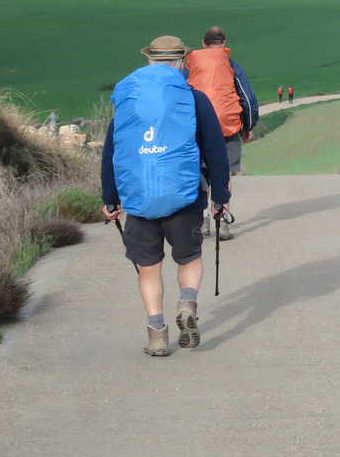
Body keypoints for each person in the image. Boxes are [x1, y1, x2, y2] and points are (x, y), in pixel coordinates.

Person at [102, 35, 231, 357]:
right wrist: (221, 196)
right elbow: (215, 150)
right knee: (188, 258)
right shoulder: (193, 97)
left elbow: (112, 153)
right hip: (185, 197)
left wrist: (110, 199)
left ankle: (157, 334)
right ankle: (187, 302)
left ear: (150, 61)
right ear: (181, 63)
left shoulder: (128, 100)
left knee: (149, 269)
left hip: (139, 197)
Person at [186, 26, 258, 240]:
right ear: (224, 43)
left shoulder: (190, 67)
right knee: (223, 175)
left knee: (199, 174)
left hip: (196, 129)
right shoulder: (232, 66)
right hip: (226, 129)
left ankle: (202, 222)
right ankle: (223, 222)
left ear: (203, 43)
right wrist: (248, 125)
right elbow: (247, 98)